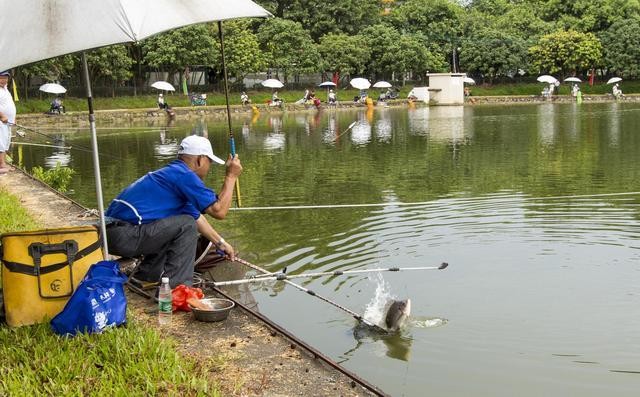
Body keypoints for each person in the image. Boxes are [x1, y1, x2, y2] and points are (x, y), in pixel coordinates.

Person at [105, 135, 242, 288]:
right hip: (124, 235)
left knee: (182, 222)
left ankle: (147, 276)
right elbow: (219, 211)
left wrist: (221, 243)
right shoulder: (184, 176)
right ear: (200, 159)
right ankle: (177, 289)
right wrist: (231, 177)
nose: (209, 167)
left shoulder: (172, 174)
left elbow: (196, 218)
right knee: (186, 225)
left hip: (111, 235)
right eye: (209, 162)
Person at [0, 70, 16, 174]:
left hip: (8, 122)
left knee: (6, 142)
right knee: (0, 143)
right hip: (1, 121)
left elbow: (10, 104)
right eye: (1, 78)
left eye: (6, 78)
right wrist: (2, 115)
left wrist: (14, 117)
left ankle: (4, 163)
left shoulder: (5, 89)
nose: (4, 80)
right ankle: (1, 165)